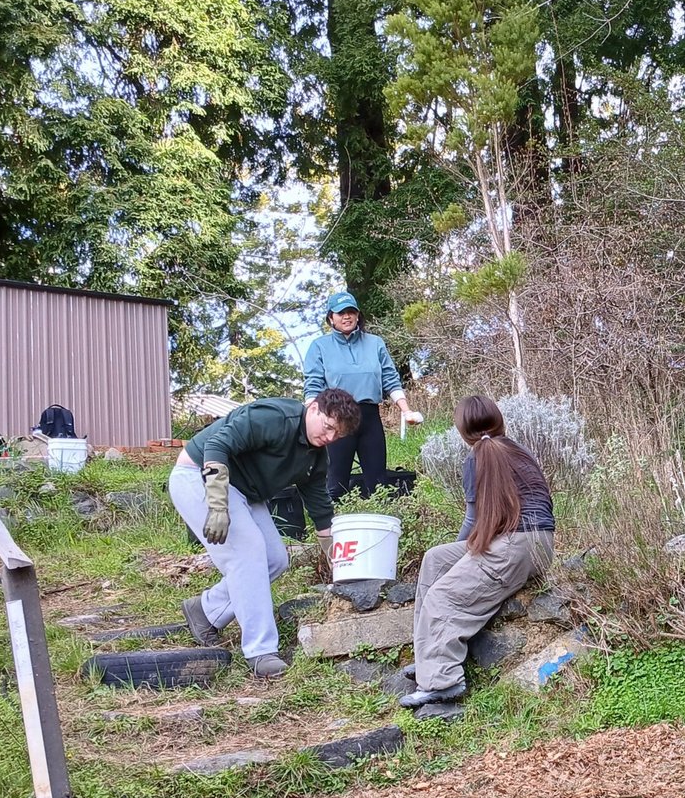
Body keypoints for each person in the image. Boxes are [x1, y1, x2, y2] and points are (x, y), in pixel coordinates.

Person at [169, 390, 362, 676]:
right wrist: (218, 506)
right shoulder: (275, 417)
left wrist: (337, 557)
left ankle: (206, 611)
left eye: (339, 435)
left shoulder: (315, 456)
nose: (331, 438)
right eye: (329, 427)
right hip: (197, 475)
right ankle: (261, 652)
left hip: (245, 491)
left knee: (275, 558)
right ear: (313, 409)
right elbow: (217, 444)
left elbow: (320, 506)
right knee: (247, 556)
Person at [396, 395, 556, 710]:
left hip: (514, 547)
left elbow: (472, 522)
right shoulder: (517, 449)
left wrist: (466, 557)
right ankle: (429, 658)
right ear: (499, 420)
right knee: (437, 559)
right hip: (539, 543)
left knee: (443, 596)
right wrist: (461, 556)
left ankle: (442, 681)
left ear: (461, 431)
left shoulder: (477, 457)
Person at [303, 291, 422, 500]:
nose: (346, 317)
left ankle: (381, 526)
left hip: (369, 416)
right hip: (336, 417)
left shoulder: (375, 343)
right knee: (336, 483)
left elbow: (390, 378)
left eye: (351, 312)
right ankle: (330, 528)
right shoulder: (319, 346)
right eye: (341, 313)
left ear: (358, 315)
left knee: (379, 483)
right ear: (331, 318)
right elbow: (313, 385)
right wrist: (309, 420)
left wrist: (406, 411)